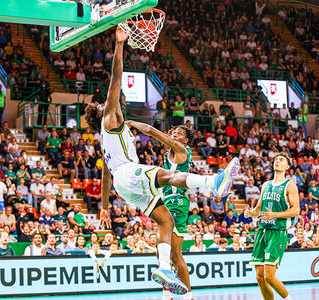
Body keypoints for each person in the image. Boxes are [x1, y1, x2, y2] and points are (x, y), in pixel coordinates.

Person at [85, 28, 240, 295]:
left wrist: (105, 207)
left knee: (165, 221)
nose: (109, 102)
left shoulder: (102, 139)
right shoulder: (109, 118)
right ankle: (214, 181)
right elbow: (115, 78)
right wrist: (120, 45)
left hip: (123, 185)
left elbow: (105, 176)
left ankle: (164, 269)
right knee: (167, 175)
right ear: (103, 111)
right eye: (105, 103)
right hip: (127, 173)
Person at [127, 123, 194, 300]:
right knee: (161, 253)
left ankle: (188, 296)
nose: (176, 134)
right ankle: (167, 294)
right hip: (166, 201)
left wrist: (132, 123)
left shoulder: (182, 149)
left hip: (177, 202)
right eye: (175, 132)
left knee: (175, 254)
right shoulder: (168, 154)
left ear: (186, 140)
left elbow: (150, 131)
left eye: (180, 133)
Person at [245, 152, 299, 300]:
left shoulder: (290, 185)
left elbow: (296, 210)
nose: (277, 161)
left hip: (277, 232)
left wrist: (275, 215)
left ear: (287, 166)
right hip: (262, 231)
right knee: (259, 277)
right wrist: (251, 213)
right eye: (276, 159)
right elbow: (258, 210)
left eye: (281, 160)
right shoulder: (266, 185)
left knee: (269, 276)